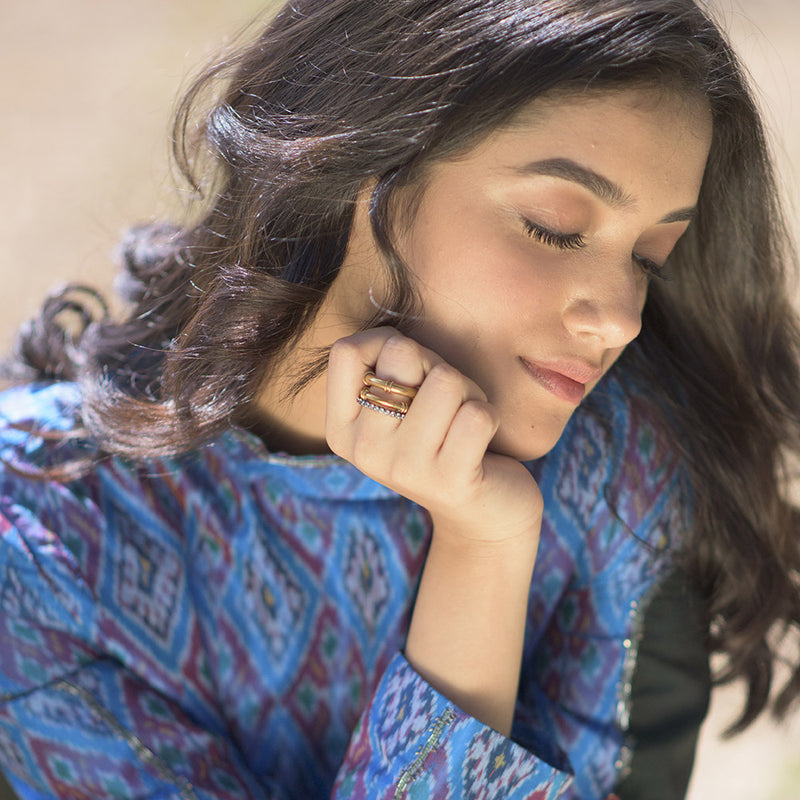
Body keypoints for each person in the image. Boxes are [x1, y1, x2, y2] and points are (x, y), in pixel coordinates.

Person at [1, 0, 799, 798]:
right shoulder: (39, 539)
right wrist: (482, 552)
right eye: (554, 227)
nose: (621, 319)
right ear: (353, 161)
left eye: (650, 257)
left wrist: (487, 542)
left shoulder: (622, 473)